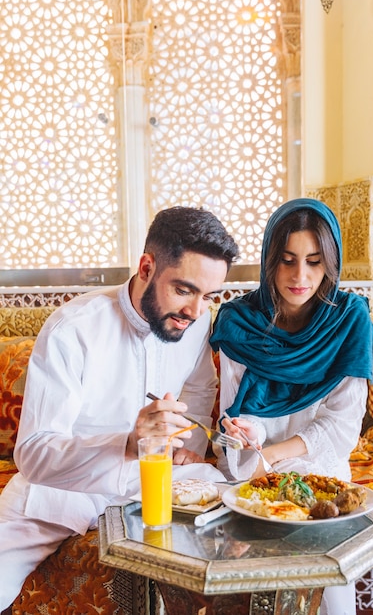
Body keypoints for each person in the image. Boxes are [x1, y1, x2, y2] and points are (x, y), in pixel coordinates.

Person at [0, 206, 239, 611]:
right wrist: (128, 444)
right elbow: (34, 453)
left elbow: (201, 385)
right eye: (183, 290)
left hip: (159, 480)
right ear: (147, 267)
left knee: (245, 521)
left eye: (208, 296)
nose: (196, 311)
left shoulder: (195, 320)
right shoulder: (72, 329)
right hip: (64, 488)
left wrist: (193, 443)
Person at [210, 198, 373, 615]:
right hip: (253, 475)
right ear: (269, 259)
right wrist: (249, 436)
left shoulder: (350, 320)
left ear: (330, 263)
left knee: (331, 599)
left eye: (314, 261)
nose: (300, 276)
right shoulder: (238, 323)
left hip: (323, 475)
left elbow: (341, 428)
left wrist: (277, 451)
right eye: (286, 260)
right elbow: (237, 416)